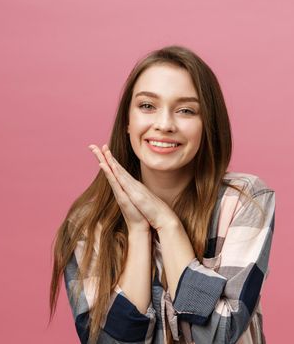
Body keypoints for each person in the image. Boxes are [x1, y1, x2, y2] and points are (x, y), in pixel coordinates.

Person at [49, 45, 276, 344]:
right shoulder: (87, 223)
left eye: (186, 110)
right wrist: (139, 229)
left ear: (207, 124)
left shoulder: (242, 199)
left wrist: (167, 224)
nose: (165, 124)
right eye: (147, 106)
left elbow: (218, 335)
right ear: (127, 121)